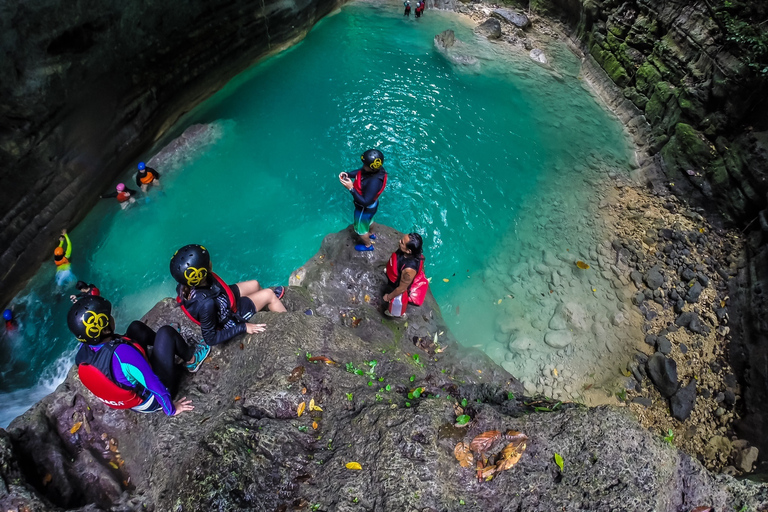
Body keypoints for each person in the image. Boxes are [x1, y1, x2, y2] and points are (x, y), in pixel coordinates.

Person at [69, 295, 202, 415]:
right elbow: (153, 383)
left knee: (136, 328)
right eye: (108, 317)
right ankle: (192, 360)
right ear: (105, 329)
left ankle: (167, 345)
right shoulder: (122, 354)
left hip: (134, 398)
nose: (111, 317)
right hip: (152, 399)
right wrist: (171, 409)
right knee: (166, 332)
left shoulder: (86, 349)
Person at [170, 244, 287, 347]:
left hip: (219, 297)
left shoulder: (190, 283)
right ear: (205, 270)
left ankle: (264, 304)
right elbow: (210, 338)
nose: (210, 261)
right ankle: (288, 321)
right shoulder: (206, 304)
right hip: (228, 316)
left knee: (255, 284)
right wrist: (244, 327)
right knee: (269, 294)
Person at [338, 149, 388, 252]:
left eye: (365, 165)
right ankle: (371, 234)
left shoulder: (374, 182)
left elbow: (365, 202)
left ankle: (368, 245)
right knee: (370, 220)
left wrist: (351, 188)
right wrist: (348, 174)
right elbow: (361, 172)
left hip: (364, 209)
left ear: (372, 168)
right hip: (373, 206)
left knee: (360, 230)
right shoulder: (376, 170)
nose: (363, 166)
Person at [383, 233, 429, 318]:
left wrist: (388, 297)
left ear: (409, 251)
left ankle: (396, 314)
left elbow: (401, 288)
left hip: (400, 285)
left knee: (397, 303)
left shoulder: (409, 270)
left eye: (402, 242)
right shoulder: (405, 252)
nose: (399, 241)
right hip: (397, 272)